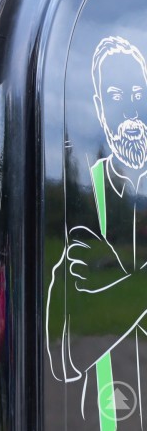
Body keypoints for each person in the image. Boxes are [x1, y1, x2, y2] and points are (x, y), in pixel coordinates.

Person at [46, 36, 147, 425]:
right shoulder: (86, 192)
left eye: (138, 93)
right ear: (101, 108)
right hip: (101, 396)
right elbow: (66, 357)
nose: (131, 110)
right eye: (117, 96)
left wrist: (116, 280)